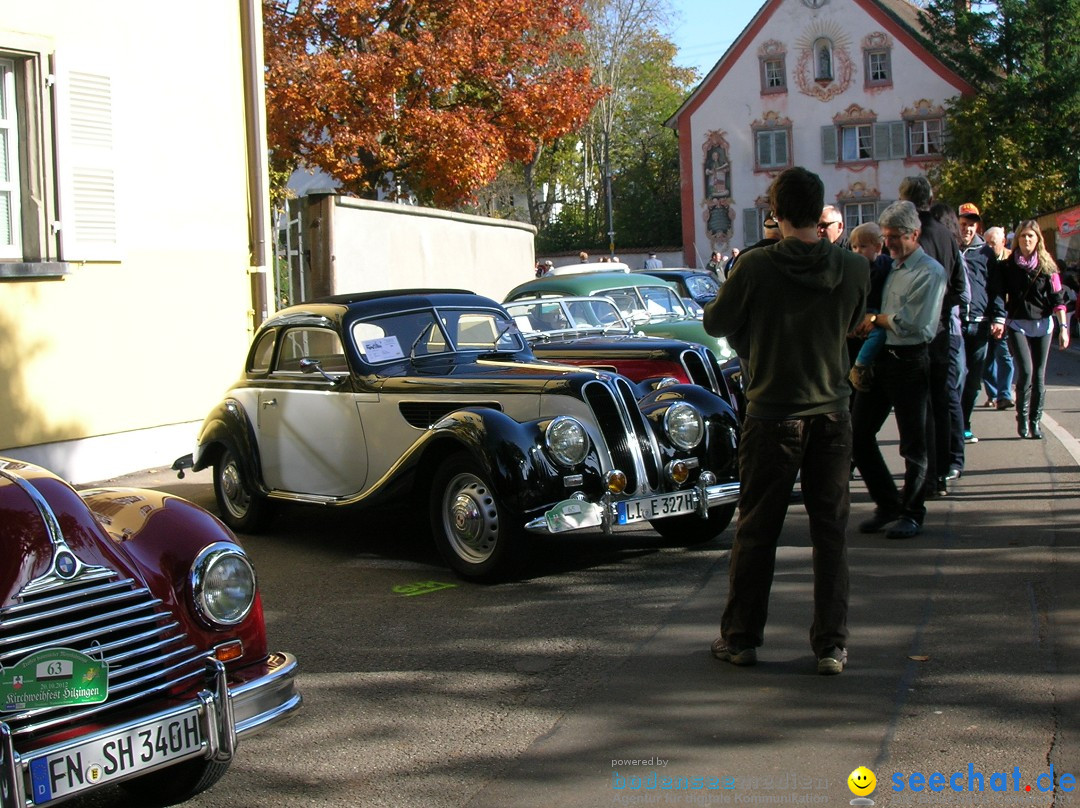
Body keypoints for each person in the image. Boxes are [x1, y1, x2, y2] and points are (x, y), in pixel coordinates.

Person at [702, 166, 870, 676]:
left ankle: (742, 638)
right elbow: (850, 326)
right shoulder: (854, 269)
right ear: (821, 214)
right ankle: (831, 645)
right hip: (833, 412)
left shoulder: (754, 268)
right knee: (831, 535)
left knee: (756, 531)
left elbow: (716, 323)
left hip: (772, 411)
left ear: (775, 213)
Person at [852, 201, 947, 540]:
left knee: (913, 444)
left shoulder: (930, 271)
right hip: (882, 360)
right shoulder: (890, 267)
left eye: (896, 237)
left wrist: (876, 320)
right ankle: (888, 503)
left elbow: (917, 326)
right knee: (858, 434)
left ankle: (912, 512)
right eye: (887, 236)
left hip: (909, 361)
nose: (890, 242)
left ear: (915, 234)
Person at [899, 177, 966, 495]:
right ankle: (938, 474)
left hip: (916, 331)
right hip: (941, 330)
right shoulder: (945, 232)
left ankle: (922, 478)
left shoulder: (909, 234)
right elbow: (958, 285)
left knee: (917, 407)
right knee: (939, 402)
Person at [988, 220, 1071, 438]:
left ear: (1038, 239)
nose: (1027, 240)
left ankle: (1035, 421)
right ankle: (1022, 419)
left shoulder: (1049, 267)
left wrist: (1063, 328)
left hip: (1043, 325)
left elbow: (1058, 298)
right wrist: (998, 319)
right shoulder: (1008, 266)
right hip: (1017, 325)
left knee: (1039, 376)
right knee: (1025, 371)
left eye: (1031, 236)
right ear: (1017, 239)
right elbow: (998, 294)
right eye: (1023, 236)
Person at [956, 204, 995, 443]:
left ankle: (965, 423)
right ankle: (954, 424)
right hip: (956, 323)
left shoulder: (985, 252)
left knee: (973, 381)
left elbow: (995, 287)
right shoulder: (950, 248)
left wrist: (998, 317)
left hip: (980, 323)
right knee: (957, 375)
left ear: (977, 226)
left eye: (971, 224)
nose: (967, 229)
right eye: (963, 224)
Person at [846, 222, 893, 392]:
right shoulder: (853, 268)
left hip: (876, 312)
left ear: (878, 247)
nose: (857, 251)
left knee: (878, 335)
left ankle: (860, 365)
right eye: (854, 247)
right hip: (860, 312)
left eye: (863, 246)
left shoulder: (885, 265)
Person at [982, 226, 1015, 409]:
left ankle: (1004, 394)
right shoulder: (981, 258)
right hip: (984, 315)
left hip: (1004, 315)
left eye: (992, 243)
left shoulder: (1011, 261)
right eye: (986, 242)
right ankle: (993, 394)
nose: (988, 246)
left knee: (1004, 355)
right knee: (987, 360)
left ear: (1003, 243)